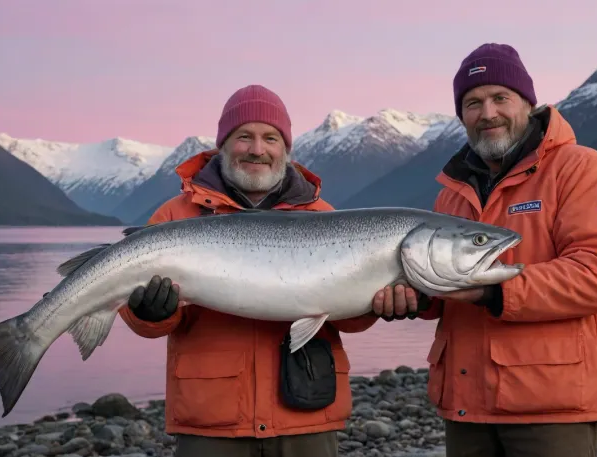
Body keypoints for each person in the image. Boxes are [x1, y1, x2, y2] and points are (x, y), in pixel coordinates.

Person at [117, 84, 419, 457]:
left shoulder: (325, 217)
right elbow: (136, 316)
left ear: (286, 149)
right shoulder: (175, 216)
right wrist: (149, 313)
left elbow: (345, 320)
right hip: (212, 423)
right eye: (244, 136)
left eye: (270, 138)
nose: (257, 150)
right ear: (223, 145)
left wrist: (375, 306)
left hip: (305, 415)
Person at [416, 43, 597, 457]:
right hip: (466, 406)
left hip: (551, 408)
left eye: (501, 98)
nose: (487, 113)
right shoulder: (452, 196)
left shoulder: (582, 170)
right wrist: (415, 297)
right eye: (473, 103)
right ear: (461, 116)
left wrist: (494, 290)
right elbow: (442, 296)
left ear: (528, 104)